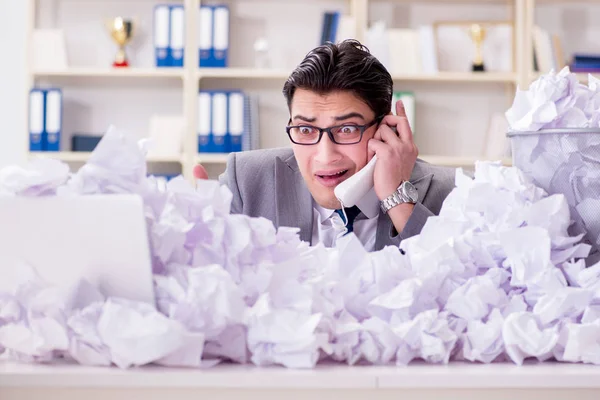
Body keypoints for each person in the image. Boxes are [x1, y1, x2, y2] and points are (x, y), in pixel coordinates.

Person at [194, 39, 457, 251]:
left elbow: (456, 288)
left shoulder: (451, 193)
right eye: (306, 129)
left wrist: (397, 198)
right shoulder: (246, 180)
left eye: (346, 129)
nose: (325, 155)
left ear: (385, 127)